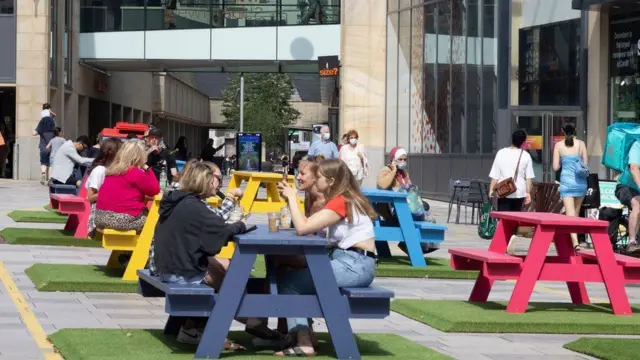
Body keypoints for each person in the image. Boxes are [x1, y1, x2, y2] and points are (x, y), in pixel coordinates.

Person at [151, 162, 278, 347]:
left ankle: (191, 327)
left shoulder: (177, 200)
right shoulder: (195, 207)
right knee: (234, 276)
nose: (218, 185)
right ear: (205, 182)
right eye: (215, 180)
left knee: (228, 267)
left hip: (166, 266)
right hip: (180, 272)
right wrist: (241, 226)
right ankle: (251, 323)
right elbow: (219, 235)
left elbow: (212, 234)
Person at [276, 159, 377, 357]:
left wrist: (291, 197)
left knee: (290, 282)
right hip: (353, 262)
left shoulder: (341, 200)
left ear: (330, 181)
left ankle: (304, 341)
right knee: (291, 273)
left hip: (353, 265)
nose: (316, 181)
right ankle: (306, 336)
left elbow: (303, 228)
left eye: (319, 177)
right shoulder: (344, 198)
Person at [377, 146, 438, 254]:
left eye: (405, 159)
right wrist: (393, 171)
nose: (403, 162)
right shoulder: (386, 170)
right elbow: (382, 185)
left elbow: (410, 189)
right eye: (400, 159)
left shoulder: (404, 172)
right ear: (393, 160)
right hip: (393, 209)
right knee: (422, 218)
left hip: (406, 207)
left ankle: (419, 246)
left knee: (429, 217)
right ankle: (412, 247)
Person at [95, 141, 160, 232]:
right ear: (140, 157)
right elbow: (154, 190)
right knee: (155, 221)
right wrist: (147, 169)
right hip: (122, 219)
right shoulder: (134, 172)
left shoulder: (112, 170)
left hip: (100, 217)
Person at [553, 123, 588, 251]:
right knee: (576, 213)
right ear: (575, 130)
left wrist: (564, 160)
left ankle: (575, 242)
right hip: (580, 183)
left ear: (562, 131)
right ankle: (575, 240)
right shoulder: (581, 144)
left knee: (570, 213)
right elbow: (585, 164)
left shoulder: (558, 146)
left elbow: (555, 167)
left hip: (566, 182)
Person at [488, 129, 535, 211]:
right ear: (523, 142)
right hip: (519, 192)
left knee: (503, 218)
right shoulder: (526, 155)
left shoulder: (501, 153)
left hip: (502, 191)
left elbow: (495, 175)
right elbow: (528, 178)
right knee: (515, 219)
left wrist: (491, 190)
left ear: (512, 139)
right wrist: (528, 193)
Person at [86, 138, 122, 236]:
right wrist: (110, 191)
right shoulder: (100, 170)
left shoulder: (114, 170)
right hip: (100, 215)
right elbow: (91, 197)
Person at [614, 140, 640, 256]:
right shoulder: (637, 145)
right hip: (625, 186)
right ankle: (632, 242)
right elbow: (633, 168)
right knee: (638, 205)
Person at [33, 110, 57, 185]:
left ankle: (43, 174)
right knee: (50, 164)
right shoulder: (53, 124)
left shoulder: (41, 124)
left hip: (43, 147)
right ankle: (50, 179)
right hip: (52, 148)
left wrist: (38, 131)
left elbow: (33, 133)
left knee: (43, 162)